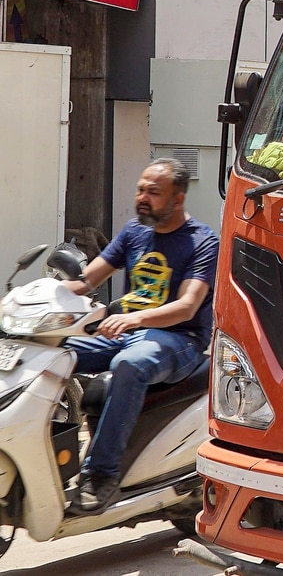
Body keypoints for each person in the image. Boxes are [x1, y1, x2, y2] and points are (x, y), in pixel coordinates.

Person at [62, 159, 218, 512]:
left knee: (129, 364)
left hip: (178, 340)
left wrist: (134, 319)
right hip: (126, 332)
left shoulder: (202, 241)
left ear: (178, 199)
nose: (142, 198)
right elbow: (86, 281)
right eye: (140, 190)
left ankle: (101, 475)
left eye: (153, 192)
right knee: (51, 351)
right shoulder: (135, 231)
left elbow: (187, 307)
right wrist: (28, 300)